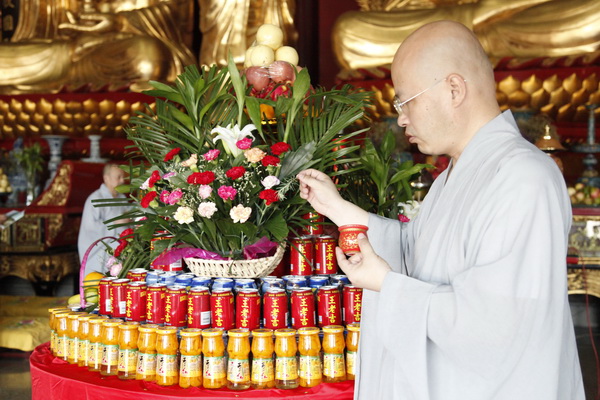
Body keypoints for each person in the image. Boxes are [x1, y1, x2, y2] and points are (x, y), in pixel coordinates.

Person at [298, 20, 584, 399]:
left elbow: (496, 325)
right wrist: (338, 209)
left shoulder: (523, 177)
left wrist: (385, 283)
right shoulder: (457, 173)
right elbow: (413, 252)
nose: (400, 117)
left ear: (454, 88)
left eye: (406, 100)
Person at [332, 0, 600, 72]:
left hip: (523, 20)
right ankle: (462, 40)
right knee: (348, 31)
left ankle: (461, 42)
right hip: (451, 21)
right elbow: (402, 8)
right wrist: (475, 13)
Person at [78, 163, 131, 277]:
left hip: (121, 250)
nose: (122, 181)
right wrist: (115, 223)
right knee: (98, 284)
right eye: (118, 177)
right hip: (100, 252)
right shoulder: (95, 199)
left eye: (123, 177)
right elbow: (90, 227)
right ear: (106, 178)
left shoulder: (122, 198)